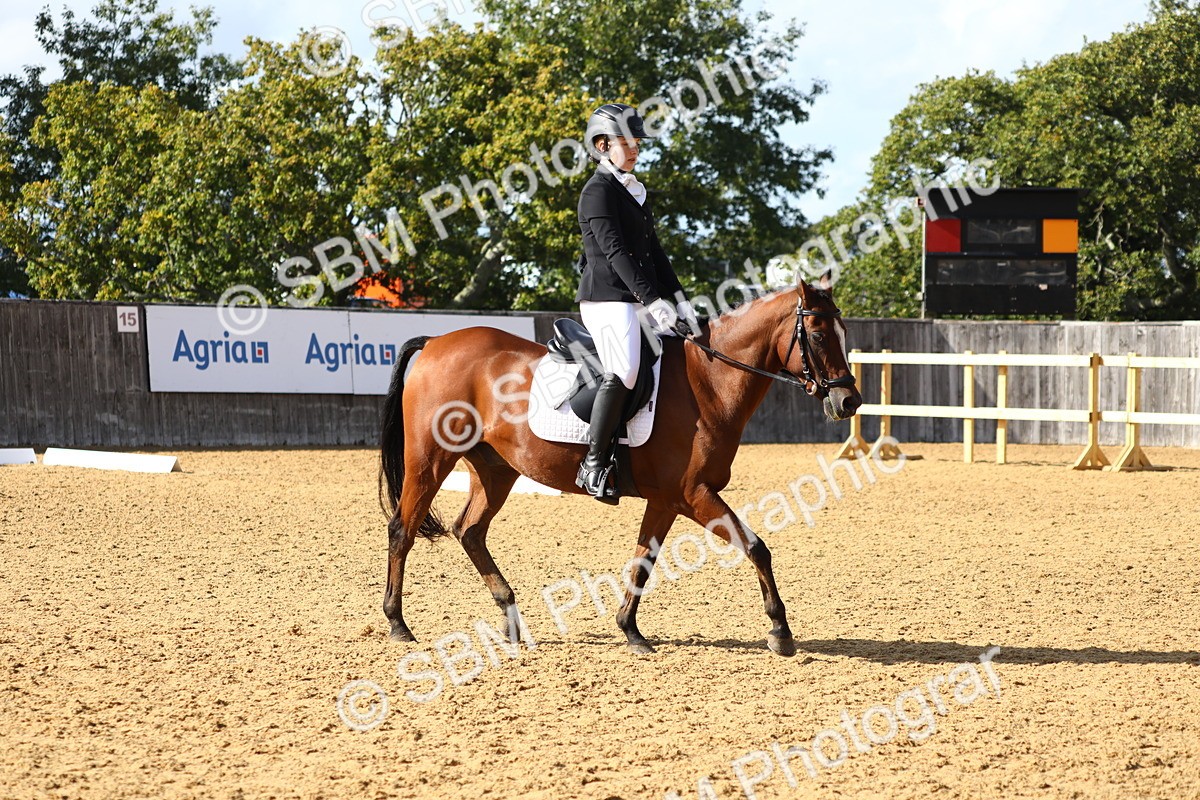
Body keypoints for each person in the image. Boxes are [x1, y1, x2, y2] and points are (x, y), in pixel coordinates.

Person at [574, 102, 698, 502]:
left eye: (637, 143)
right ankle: (593, 464)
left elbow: (655, 255)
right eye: (627, 142)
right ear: (602, 144)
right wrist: (653, 300)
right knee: (625, 370)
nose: (635, 149)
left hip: (639, 299)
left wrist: (680, 301)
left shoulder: (634, 192)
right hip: (607, 299)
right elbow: (616, 254)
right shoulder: (597, 192)